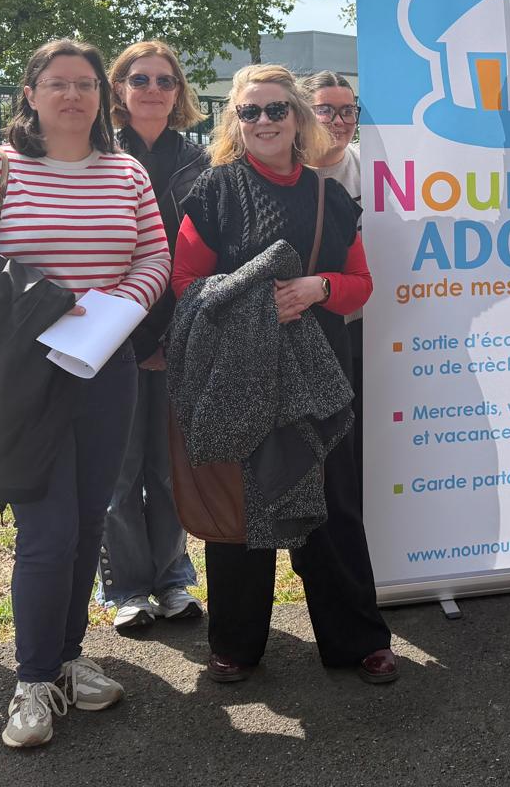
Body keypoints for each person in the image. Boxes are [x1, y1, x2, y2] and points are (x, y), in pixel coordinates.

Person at [0, 39, 170, 749]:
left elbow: (154, 254)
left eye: (86, 84)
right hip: (21, 374)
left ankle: (68, 658)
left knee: (90, 520)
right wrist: (53, 305)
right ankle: (33, 680)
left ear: (103, 97)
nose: (72, 96)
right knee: (48, 531)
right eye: (57, 83)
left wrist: (123, 304)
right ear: (30, 95)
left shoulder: (127, 171)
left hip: (105, 363)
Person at [169, 64, 397, 685]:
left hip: (319, 375)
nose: (264, 121)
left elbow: (360, 286)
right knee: (242, 511)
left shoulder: (330, 197)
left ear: (298, 118)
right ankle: (236, 644)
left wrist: (319, 287)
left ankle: (359, 639)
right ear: (235, 122)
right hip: (239, 373)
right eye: (250, 111)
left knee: (334, 508)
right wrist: (253, 302)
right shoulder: (214, 192)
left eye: (276, 109)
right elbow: (185, 284)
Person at [97, 42, 209, 632]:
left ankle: (171, 580)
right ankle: (126, 588)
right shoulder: (96, 155)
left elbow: (209, 253)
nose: (153, 89)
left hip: (180, 333)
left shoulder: (202, 162)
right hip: (110, 334)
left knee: (168, 470)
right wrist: (135, 337)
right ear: (118, 88)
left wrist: (172, 335)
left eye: (166, 80)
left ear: (178, 91)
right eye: (139, 79)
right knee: (119, 472)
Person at [302, 70, 365, 484]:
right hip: (305, 332)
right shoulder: (289, 172)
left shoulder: (373, 167)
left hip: (362, 327)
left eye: (348, 111)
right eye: (325, 110)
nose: (339, 121)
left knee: (357, 445)